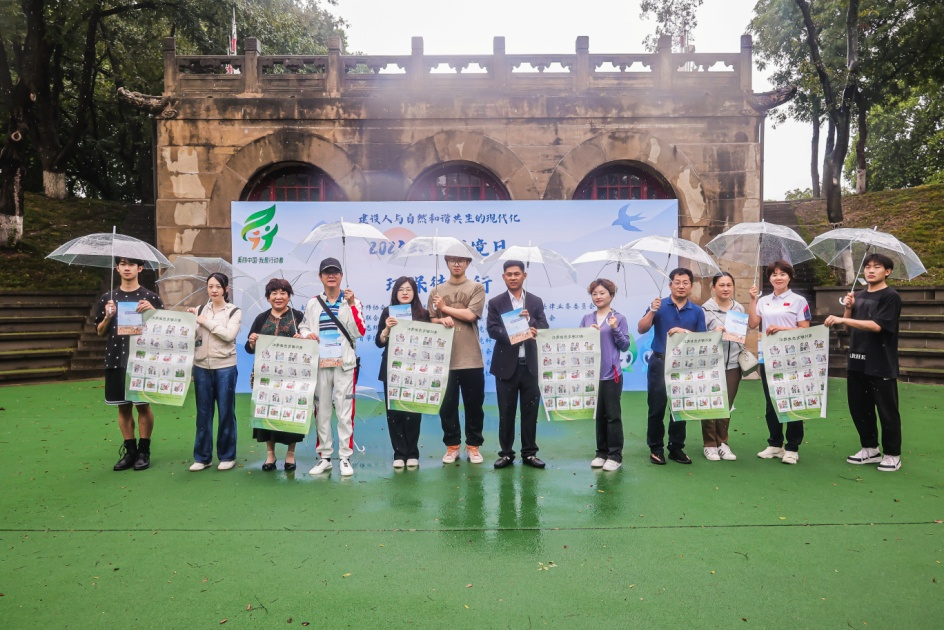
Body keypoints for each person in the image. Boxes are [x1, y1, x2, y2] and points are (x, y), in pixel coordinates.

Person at [824, 253, 903, 472]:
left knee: (887, 411)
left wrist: (843, 317)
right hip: (857, 360)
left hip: (881, 361)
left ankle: (892, 454)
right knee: (859, 408)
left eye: (876, 267)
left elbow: (878, 326)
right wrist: (849, 308)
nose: (870, 270)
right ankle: (870, 448)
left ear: (887, 271)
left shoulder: (891, 296)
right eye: (867, 266)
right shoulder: (858, 295)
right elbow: (848, 328)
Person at [94, 257, 164, 471]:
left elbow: (163, 329)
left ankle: (144, 450)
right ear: (117, 268)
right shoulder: (108, 298)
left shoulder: (151, 297)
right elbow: (100, 331)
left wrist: (152, 311)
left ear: (140, 268)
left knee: (143, 405)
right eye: (123, 264)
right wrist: (108, 316)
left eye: (131, 264)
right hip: (116, 357)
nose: (127, 268)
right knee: (122, 407)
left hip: (141, 359)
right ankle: (130, 451)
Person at [298, 257, 365, 477]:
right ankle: (325, 457)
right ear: (320, 277)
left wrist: (351, 304)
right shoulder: (313, 303)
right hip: (321, 364)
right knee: (322, 411)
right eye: (327, 272)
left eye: (335, 272)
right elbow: (304, 326)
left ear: (341, 276)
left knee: (345, 412)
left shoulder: (352, 301)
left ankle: (345, 457)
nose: (331, 276)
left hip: (344, 364)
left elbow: (359, 331)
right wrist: (308, 334)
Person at [638, 267, 707, 466]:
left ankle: (676, 447)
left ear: (691, 286)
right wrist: (652, 310)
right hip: (659, 361)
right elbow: (641, 328)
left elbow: (703, 338)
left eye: (685, 283)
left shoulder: (697, 311)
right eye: (677, 282)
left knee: (680, 407)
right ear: (670, 285)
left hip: (684, 364)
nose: (681, 286)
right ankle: (656, 448)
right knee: (656, 407)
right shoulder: (659, 305)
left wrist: (684, 332)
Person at [486, 260, 550, 469]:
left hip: (530, 365)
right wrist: (517, 330)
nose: (513, 277)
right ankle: (506, 454)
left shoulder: (535, 301)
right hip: (505, 366)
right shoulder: (496, 302)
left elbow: (544, 326)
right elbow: (492, 330)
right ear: (503, 277)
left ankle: (529, 453)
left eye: (516, 274)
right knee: (506, 412)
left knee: (530, 412)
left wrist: (530, 322)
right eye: (509, 274)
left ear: (524, 276)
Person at [748, 260, 811, 465]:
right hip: (768, 356)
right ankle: (775, 444)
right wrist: (752, 300)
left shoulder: (799, 301)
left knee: (792, 400)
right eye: (774, 274)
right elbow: (753, 324)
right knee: (771, 403)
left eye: (782, 274)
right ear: (769, 278)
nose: (778, 277)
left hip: (792, 358)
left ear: (789, 277)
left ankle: (792, 447)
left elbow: (804, 329)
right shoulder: (763, 301)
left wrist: (782, 329)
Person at [428, 255, 487, 464]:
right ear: (446, 263)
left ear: (468, 263)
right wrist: (440, 319)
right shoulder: (436, 291)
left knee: (474, 406)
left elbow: (471, 315)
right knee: (447, 406)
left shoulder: (477, 288)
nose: (456, 264)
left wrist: (444, 308)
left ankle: (473, 446)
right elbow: (431, 319)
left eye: (461, 260)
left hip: (471, 358)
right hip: (444, 359)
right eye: (452, 260)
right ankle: (452, 446)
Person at [245, 278, 306, 472]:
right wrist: (252, 342)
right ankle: (270, 454)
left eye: (283, 293)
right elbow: (249, 348)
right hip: (266, 376)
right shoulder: (261, 318)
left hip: (292, 376)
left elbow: (309, 346)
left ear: (289, 296)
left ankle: (290, 453)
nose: (278, 297)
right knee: (266, 412)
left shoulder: (298, 317)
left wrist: (302, 339)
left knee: (291, 413)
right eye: (274, 293)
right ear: (268, 297)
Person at [187, 273, 242, 471]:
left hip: (225, 366)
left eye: (218, 286)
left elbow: (229, 335)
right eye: (210, 286)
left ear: (226, 289)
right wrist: (191, 321)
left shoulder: (233, 311)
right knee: (203, 412)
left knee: (226, 411)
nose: (214, 290)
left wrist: (205, 322)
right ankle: (202, 457)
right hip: (201, 365)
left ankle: (227, 456)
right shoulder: (200, 309)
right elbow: (192, 336)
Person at [375, 276, 431, 469]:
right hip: (392, 368)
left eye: (409, 289)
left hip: (415, 370)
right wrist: (386, 329)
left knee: (413, 411)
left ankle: (412, 452)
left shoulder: (423, 314)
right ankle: (399, 453)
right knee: (394, 412)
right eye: (401, 289)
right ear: (395, 293)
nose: (405, 292)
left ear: (415, 292)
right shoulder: (388, 312)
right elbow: (379, 342)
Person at [580, 278, 631, 471]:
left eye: (602, 293)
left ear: (611, 295)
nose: (598, 297)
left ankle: (615, 455)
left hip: (611, 374)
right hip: (592, 375)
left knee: (612, 416)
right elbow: (579, 345)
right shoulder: (587, 318)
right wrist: (588, 333)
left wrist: (615, 328)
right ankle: (601, 453)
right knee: (599, 415)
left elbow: (625, 346)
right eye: (594, 293)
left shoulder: (619, 318)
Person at [700, 271, 746, 461]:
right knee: (711, 403)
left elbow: (742, 335)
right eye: (721, 285)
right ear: (713, 287)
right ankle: (709, 444)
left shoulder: (739, 308)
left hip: (733, 363)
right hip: (711, 364)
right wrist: (714, 332)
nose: (726, 289)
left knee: (726, 404)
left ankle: (723, 443)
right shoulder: (704, 310)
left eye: (729, 285)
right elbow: (699, 337)